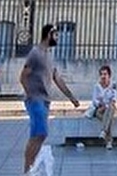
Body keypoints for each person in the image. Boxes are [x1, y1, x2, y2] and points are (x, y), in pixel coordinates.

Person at [21, 23, 80, 176]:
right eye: (56, 35)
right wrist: (30, 94)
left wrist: (71, 97)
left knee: (38, 135)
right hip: (36, 100)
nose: (58, 38)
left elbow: (57, 78)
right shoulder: (35, 53)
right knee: (40, 133)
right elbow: (23, 76)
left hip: (45, 100)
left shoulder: (48, 55)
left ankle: (30, 168)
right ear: (49, 34)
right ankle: (27, 170)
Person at [86, 65, 117, 149]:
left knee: (111, 108)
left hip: (109, 108)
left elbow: (114, 99)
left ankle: (105, 135)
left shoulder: (113, 85)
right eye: (101, 74)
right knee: (108, 119)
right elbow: (94, 100)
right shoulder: (97, 86)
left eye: (105, 74)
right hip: (100, 109)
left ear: (109, 75)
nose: (103, 76)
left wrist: (106, 105)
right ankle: (108, 138)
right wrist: (100, 104)